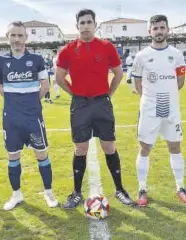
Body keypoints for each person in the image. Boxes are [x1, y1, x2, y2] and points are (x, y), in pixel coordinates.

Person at [55, 9, 133, 208]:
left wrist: (109, 93)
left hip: (101, 103)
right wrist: (74, 94)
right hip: (80, 104)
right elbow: (59, 77)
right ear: (77, 26)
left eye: (89, 22)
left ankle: (120, 189)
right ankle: (76, 193)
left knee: (109, 147)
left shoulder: (106, 46)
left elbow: (118, 74)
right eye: (82, 22)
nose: (86, 26)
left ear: (95, 25)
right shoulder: (68, 49)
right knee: (80, 148)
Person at [0, 21, 58, 210]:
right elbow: (0, 88)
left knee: (41, 154)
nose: (17, 39)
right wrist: (15, 103)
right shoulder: (0, 61)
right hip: (11, 118)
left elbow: (45, 87)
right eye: (13, 35)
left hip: (32, 117)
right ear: (8, 38)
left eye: (20, 35)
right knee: (13, 156)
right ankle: (16, 195)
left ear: (26, 38)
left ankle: (48, 193)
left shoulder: (37, 60)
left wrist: (31, 103)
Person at [131, 15, 186, 207]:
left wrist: (166, 96)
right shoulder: (141, 56)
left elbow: (180, 82)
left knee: (175, 147)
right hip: (149, 110)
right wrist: (152, 99)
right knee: (145, 148)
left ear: (168, 30)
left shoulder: (176, 54)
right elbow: (137, 83)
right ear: (149, 31)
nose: (158, 31)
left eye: (162, 27)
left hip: (171, 110)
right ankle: (142, 188)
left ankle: (180, 187)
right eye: (155, 28)